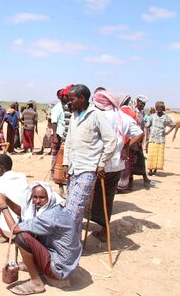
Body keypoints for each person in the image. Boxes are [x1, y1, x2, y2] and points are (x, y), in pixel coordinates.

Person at [0, 181, 82, 294]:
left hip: (59, 268)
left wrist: (3, 206)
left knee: (22, 237)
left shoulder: (51, 215)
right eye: (34, 197)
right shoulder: (52, 208)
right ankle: (34, 266)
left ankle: (36, 283)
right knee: (28, 230)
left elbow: (14, 229)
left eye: (42, 197)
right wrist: (7, 200)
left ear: (49, 197)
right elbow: (22, 213)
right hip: (64, 262)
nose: (37, 201)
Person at [88, 91, 143, 243]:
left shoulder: (98, 116)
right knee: (108, 198)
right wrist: (126, 146)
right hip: (117, 165)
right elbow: (140, 134)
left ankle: (85, 229)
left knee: (89, 198)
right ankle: (104, 231)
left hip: (98, 165)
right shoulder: (123, 117)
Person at [62, 84, 117, 234]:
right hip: (73, 168)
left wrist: (102, 163)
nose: (70, 102)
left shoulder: (96, 115)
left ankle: (69, 242)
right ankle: (74, 242)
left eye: (72, 99)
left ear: (82, 98)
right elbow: (68, 141)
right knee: (70, 207)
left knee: (75, 209)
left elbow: (111, 140)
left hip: (88, 168)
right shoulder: (74, 116)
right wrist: (66, 163)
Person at [50, 85, 73, 195]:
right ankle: (60, 187)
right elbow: (54, 122)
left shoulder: (70, 107)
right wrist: (55, 136)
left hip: (69, 138)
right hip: (60, 136)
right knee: (59, 161)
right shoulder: (57, 108)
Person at [145, 101, 175, 175]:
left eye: (161, 108)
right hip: (152, 138)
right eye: (158, 108)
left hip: (161, 139)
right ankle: (150, 170)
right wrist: (147, 137)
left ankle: (155, 169)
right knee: (151, 154)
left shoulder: (166, 117)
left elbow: (173, 125)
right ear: (156, 108)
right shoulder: (152, 116)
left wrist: (167, 132)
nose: (159, 109)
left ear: (163, 108)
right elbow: (147, 126)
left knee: (158, 155)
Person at [129, 94, 151, 188]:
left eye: (144, 104)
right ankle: (130, 181)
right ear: (137, 101)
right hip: (133, 139)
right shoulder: (132, 111)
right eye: (141, 103)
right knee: (131, 161)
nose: (142, 105)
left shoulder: (142, 113)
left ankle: (145, 177)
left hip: (139, 139)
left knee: (140, 159)